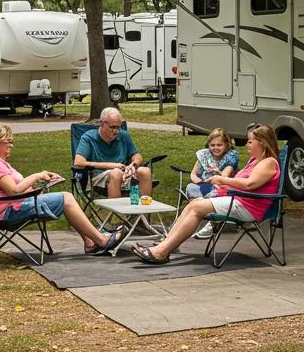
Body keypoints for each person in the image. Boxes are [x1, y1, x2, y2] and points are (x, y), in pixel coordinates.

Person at [132, 123, 281, 264]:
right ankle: (165, 245)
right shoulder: (254, 161)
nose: (247, 144)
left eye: (250, 141)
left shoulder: (268, 162)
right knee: (195, 203)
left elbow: (250, 184)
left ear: (262, 142)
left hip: (249, 206)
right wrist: (223, 181)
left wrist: (223, 180)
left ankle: (161, 252)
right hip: (238, 201)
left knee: (197, 208)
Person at [0, 122, 125, 255]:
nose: (11, 145)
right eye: (7, 142)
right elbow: (13, 190)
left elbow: (16, 189)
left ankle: (90, 242)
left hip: (17, 205)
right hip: (10, 212)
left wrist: (42, 183)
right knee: (66, 198)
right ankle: (102, 241)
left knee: (66, 197)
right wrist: (37, 175)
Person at [73, 106, 152, 199]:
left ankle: (142, 213)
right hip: (98, 177)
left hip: (124, 174)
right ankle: (116, 212)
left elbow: (137, 155)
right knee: (116, 173)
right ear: (102, 123)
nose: (116, 131)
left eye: (118, 127)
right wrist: (111, 165)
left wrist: (133, 165)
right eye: (113, 127)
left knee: (145, 171)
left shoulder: (123, 135)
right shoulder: (88, 138)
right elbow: (78, 162)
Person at [187, 128, 240, 239]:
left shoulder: (230, 157)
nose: (215, 148)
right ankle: (203, 212)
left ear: (226, 144)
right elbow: (193, 174)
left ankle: (211, 221)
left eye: (219, 145)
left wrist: (217, 172)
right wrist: (199, 182)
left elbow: (224, 177)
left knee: (214, 190)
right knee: (190, 187)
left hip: (223, 188)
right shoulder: (204, 155)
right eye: (212, 145)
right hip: (205, 186)